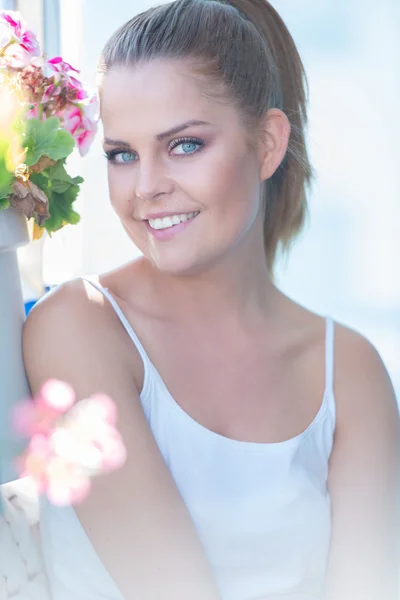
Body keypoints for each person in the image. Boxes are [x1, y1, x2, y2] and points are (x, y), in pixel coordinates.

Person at [22, 0, 400, 598]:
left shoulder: (349, 370)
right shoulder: (81, 327)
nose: (146, 188)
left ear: (269, 143)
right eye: (122, 155)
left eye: (185, 145)